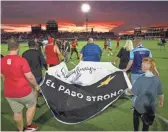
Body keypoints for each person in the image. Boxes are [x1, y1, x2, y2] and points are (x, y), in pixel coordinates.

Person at [1, 38, 39, 131]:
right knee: (32, 104)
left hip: (9, 92)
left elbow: (2, 76)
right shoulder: (21, 60)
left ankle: (20, 130)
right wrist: (36, 86)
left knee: (17, 112)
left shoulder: (1, 60)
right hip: (23, 91)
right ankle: (29, 127)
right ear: (18, 47)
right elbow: (29, 76)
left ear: (8, 47)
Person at [128, 57, 164, 131]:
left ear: (145, 67)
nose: (141, 66)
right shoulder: (157, 79)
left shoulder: (140, 79)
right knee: (146, 125)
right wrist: (161, 102)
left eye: (142, 65)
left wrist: (129, 90)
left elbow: (134, 93)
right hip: (151, 108)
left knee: (136, 119)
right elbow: (161, 94)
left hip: (139, 106)